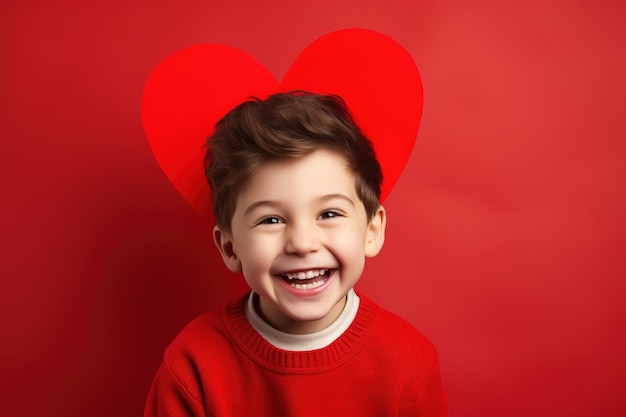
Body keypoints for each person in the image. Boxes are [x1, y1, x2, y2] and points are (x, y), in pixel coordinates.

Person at [144, 91, 449, 416]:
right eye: (271, 219)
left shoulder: (409, 363)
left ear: (371, 231)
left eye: (329, 214)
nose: (302, 243)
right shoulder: (193, 364)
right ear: (231, 248)